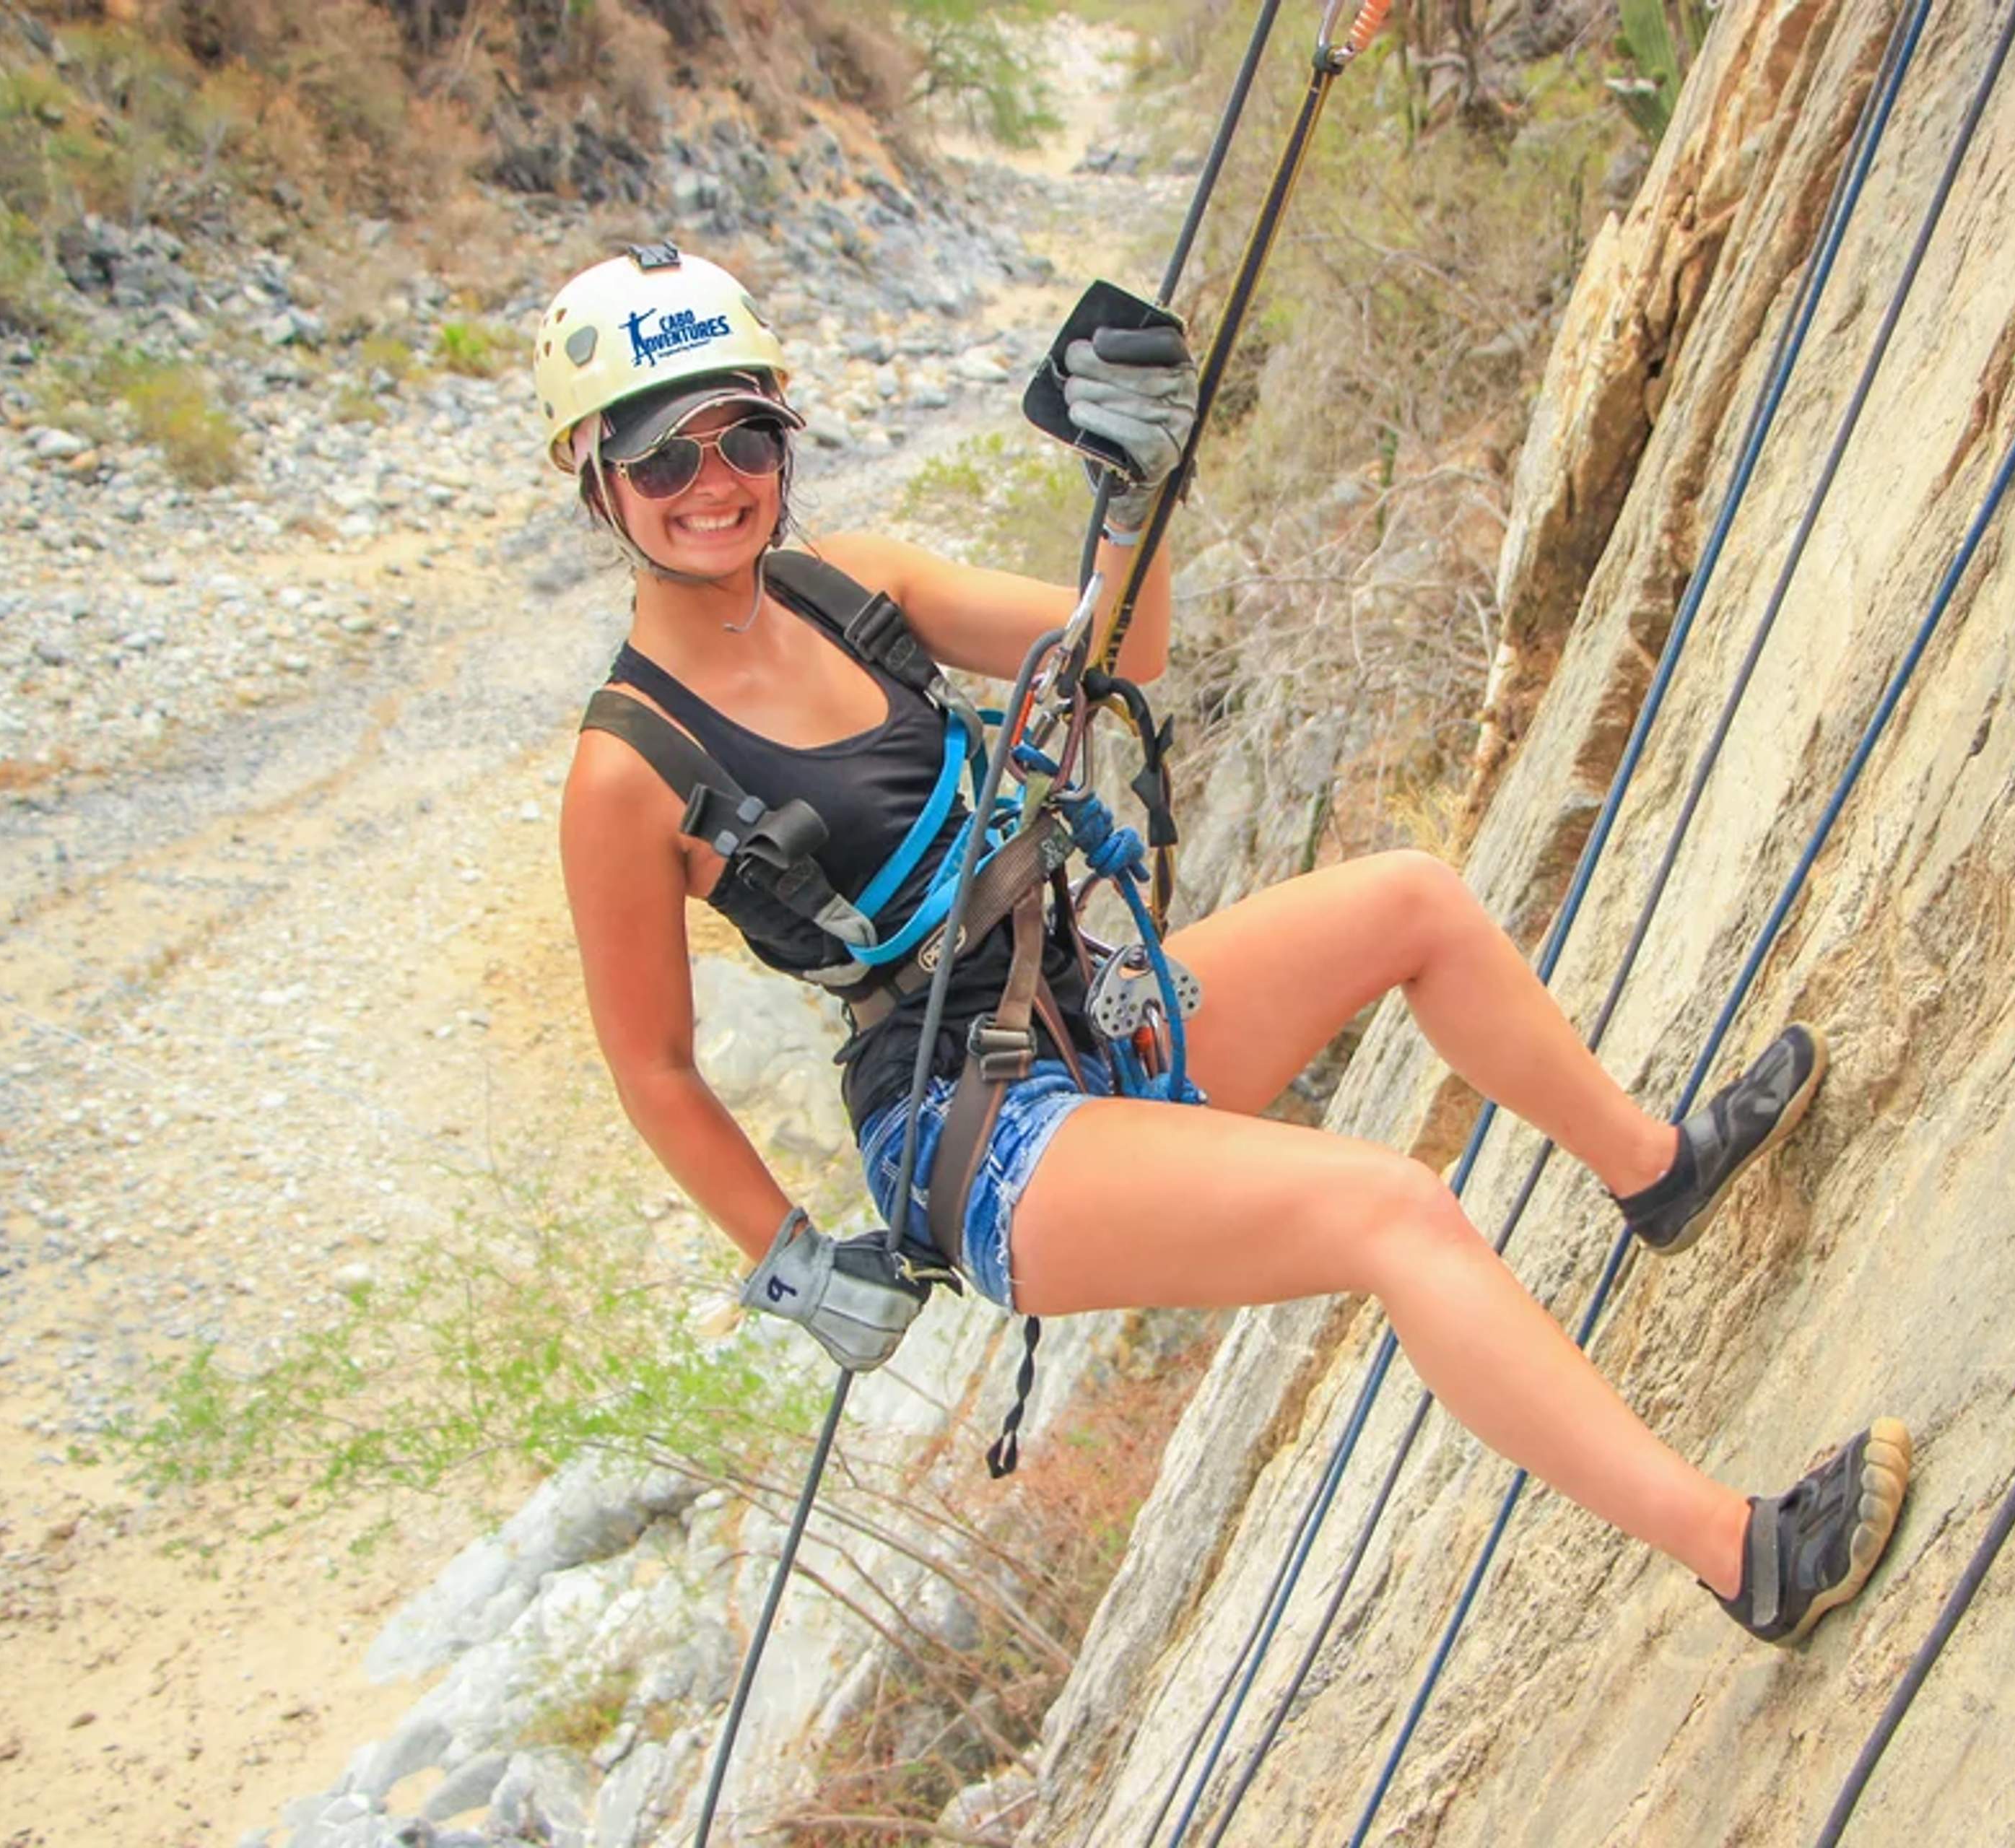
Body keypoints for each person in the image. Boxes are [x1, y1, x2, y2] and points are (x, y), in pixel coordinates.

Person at [541, 245, 1909, 1646]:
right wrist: (789, 1258)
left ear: (782, 423)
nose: (715, 482)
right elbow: (653, 1065)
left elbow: (1117, 650)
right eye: (664, 460)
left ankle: (1656, 1171)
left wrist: (1133, 493)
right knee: (1396, 1209)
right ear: (592, 473)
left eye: (745, 435)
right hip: (971, 1134)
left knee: (1411, 901)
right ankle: (1746, 1554)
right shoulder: (629, 768)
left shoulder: (849, 585)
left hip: (1091, 1004)